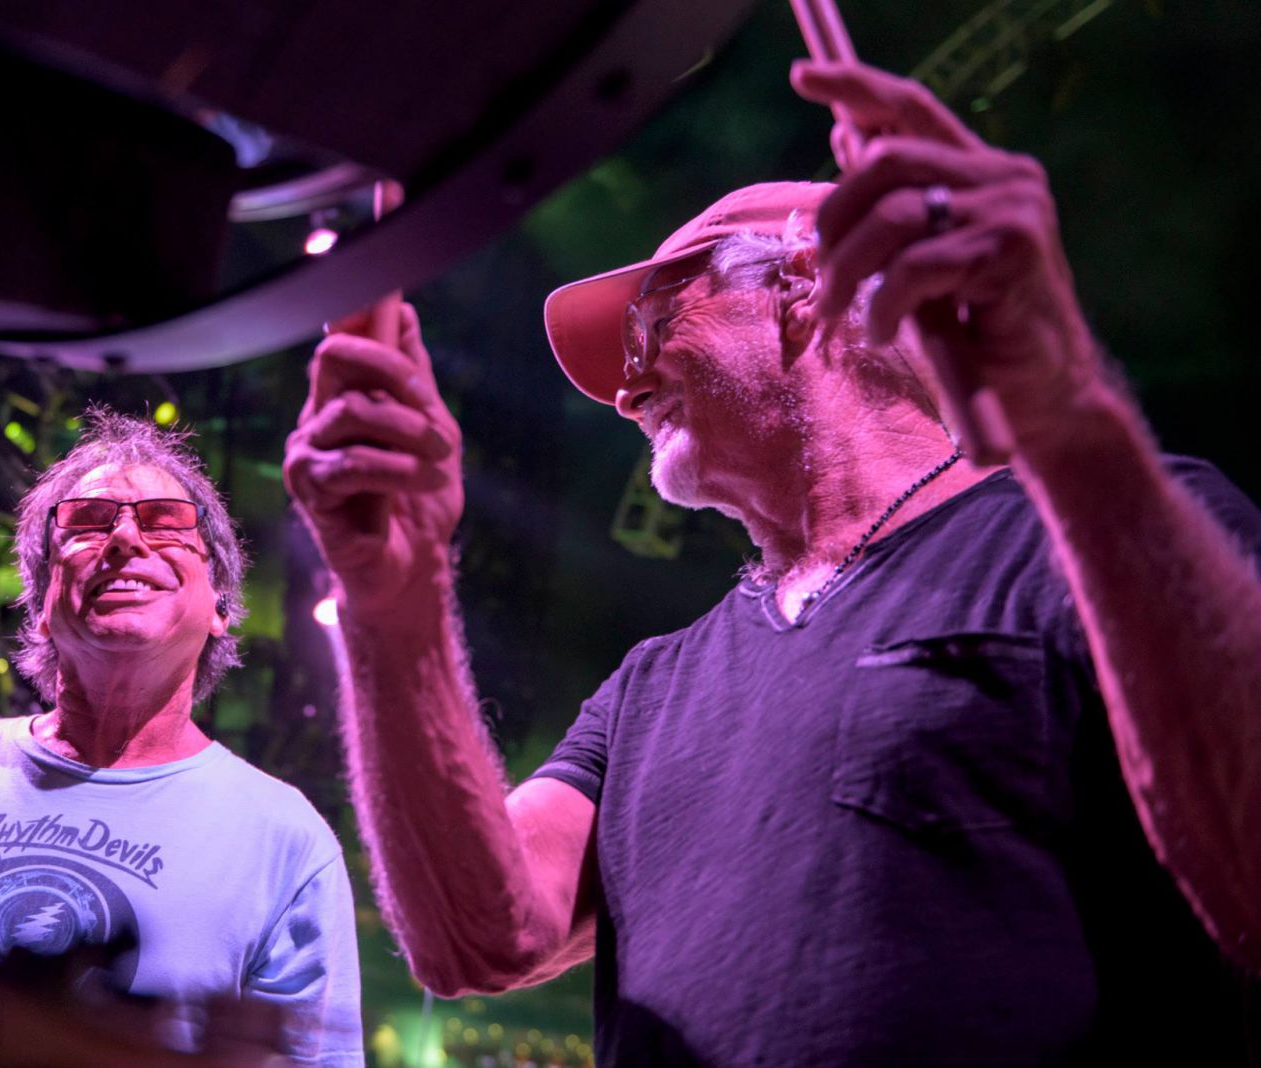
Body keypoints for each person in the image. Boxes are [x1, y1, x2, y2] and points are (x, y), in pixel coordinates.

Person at [283, 60, 1261, 1066]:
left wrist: (1075, 425)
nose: (623, 392)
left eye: (653, 321)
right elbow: (475, 941)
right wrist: (393, 602)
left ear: (806, 290)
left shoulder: (1095, 532)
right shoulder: (647, 690)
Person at [0, 408, 364, 1067]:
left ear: (221, 606)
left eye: (164, 522)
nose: (123, 540)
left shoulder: (286, 837)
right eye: (88, 522)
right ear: (43, 599)